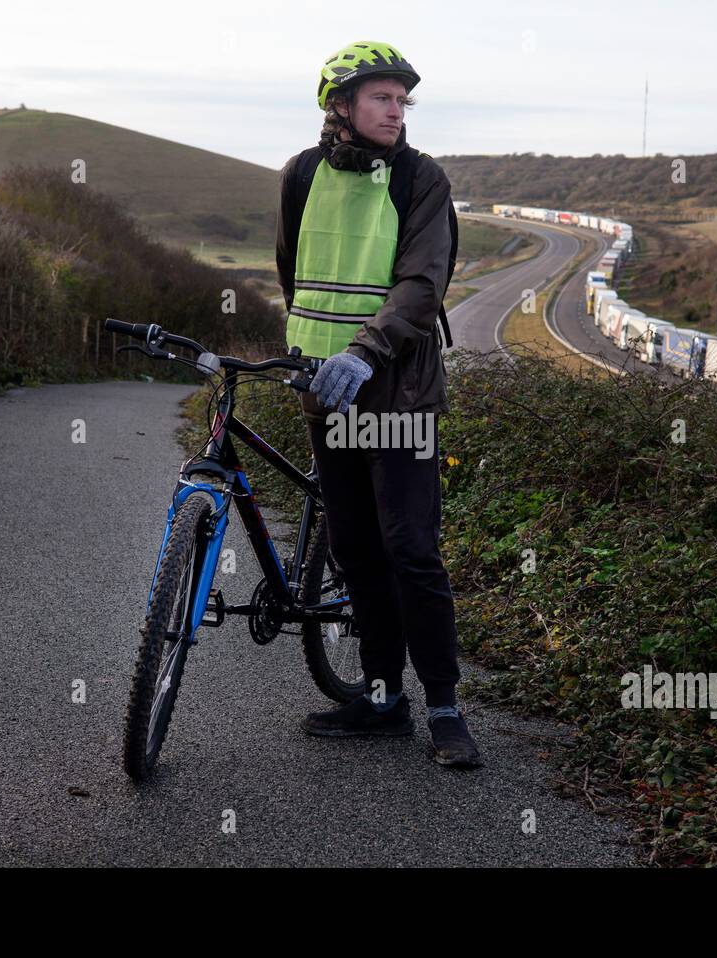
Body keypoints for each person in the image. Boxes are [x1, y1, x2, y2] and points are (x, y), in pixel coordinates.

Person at [274, 41, 482, 768]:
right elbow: (292, 272)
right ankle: (385, 696)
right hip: (324, 391)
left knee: (410, 547)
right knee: (357, 546)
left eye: (403, 101)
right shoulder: (300, 175)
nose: (397, 111)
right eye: (382, 99)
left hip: (397, 391)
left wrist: (364, 352)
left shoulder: (422, 179)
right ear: (341, 106)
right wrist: (313, 358)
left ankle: (447, 708)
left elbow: (423, 286)